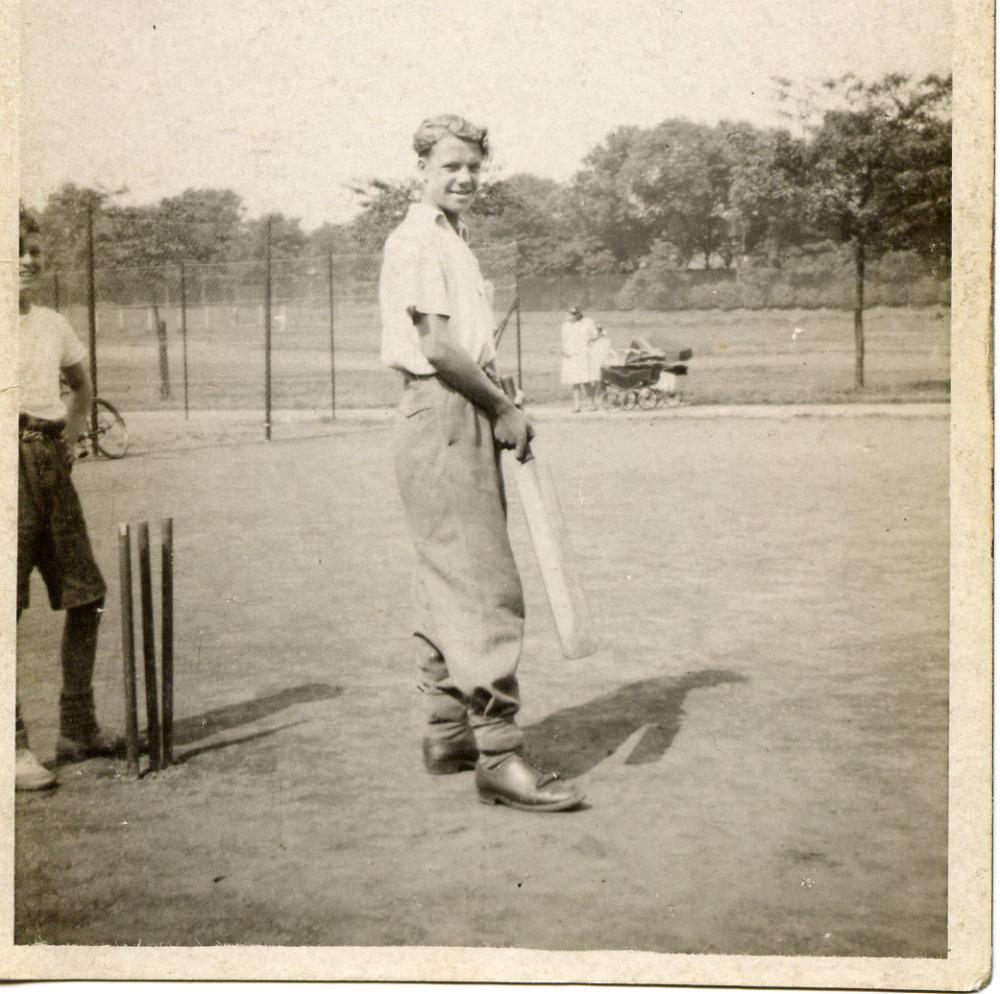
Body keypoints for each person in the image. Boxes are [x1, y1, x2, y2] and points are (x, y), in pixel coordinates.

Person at [379, 114, 585, 812]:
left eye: (474, 167)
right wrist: (499, 408)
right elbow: (437, 349)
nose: (464, 178)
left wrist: (498, 391)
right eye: (450, 166)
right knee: (483, 582)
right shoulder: (417, 242)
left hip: (452, 408)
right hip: (441, 413)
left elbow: (463, 344)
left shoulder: (451, 241)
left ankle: (446, 731)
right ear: (422, 169)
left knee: (452, 571)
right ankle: (499, 756)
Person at [16, 207, 122, 791]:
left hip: (50, 458)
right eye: (17, 248)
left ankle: (77, 727)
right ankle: (12, 746)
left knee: (87, 594)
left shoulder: (52, 322)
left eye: (34, 249)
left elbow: (81, 386)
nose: (28, 259)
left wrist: (72, 442)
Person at [560, 306, 599, 411]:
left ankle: (592, 404)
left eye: (574, 314)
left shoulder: (587, 323)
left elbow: (595, 335)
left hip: (583, 355)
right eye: (571, 314)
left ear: (578, 314)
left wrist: (588, 341)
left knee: (586, 380)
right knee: (575, 382)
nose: (572, 316)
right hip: (571, 355)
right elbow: (564, 340)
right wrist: (565, 351)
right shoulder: (566, 325)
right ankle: (577, 406)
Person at [588, 323, 616, 405]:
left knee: (604, 383)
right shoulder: (590, 342)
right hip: (593, 364)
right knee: (594, 383)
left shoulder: (606, 341)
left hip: (602, 363)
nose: (597, 334)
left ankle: (605, 400)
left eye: (599, 331)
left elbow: (608, 351)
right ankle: (593, 401)